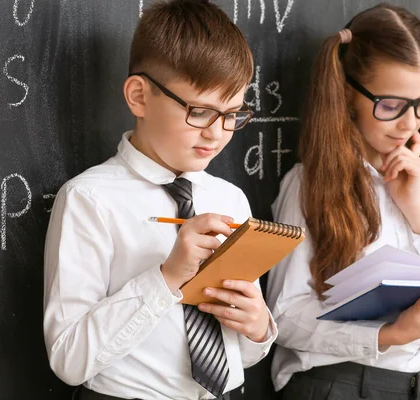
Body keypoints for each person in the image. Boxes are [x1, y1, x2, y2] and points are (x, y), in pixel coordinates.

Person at [43, 1, 277, 399]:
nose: (217, 133)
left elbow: (242, 355)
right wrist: (167, 277)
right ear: (139, 97)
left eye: (232, 114)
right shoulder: (90, 199)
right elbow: (68, 359)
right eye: (201, 112)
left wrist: (257, 329)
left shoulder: (230, 199)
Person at [266, 3, 420, 399]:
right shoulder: (310, 184)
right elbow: (283, 317)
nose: (410, 122)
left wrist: (417, 211)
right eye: (390, 105)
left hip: (413, 386)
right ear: (349, 94)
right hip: (335, 384)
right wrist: (387, 334)